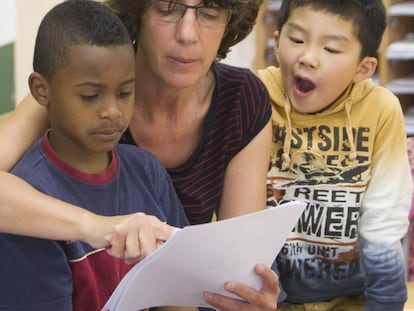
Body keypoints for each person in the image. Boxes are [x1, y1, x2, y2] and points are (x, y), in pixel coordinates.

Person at [0, 0, 279, 310]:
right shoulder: (75, 82)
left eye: (209, 12)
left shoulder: (240, 100)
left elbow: (233, 274)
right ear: (137, 11)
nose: (187, 34)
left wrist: (249, 297)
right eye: (167, 8)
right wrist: (99, 227)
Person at [0, 0, 189, 310]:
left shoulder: (147, 170)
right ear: (41, 90)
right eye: (90, 96)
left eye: (125, 92)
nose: (112, 112)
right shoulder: (28, 205)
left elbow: (180, 293)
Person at [258, 0, 413, 310]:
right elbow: (239, 216)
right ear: (277, 42)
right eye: (297, 40)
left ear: (363, 68)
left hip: (351, 298)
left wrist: (385, 302)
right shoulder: (254, 94)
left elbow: (384, 221)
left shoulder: (381, 109)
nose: (307, 58)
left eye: (331, 49)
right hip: (267, 293)